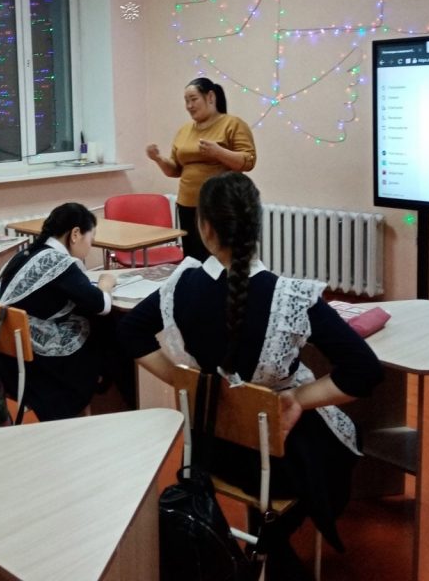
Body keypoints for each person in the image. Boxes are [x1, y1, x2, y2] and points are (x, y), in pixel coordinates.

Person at [117, 172, 383, 580]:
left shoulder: (181, 285)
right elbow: (364, 371)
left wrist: (183, 380)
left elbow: (130, 331)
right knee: (346, 439)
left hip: (210, 451)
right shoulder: (290, 295)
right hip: (278, 458)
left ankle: (265, 541)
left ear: (205, 228)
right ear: (257, 226)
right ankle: (274, 541)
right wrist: (297, 399)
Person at [0, 203, 117, 421]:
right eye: (91, 238)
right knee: (104, 329)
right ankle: (104, 404)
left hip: (6, 358)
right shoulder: (58, 262)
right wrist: (106, 282)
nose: (90, 246)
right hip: (36, 367)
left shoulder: (26, 253)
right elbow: (102, 305)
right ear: (75, 234)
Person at [146, 77, 257, 261]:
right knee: (193, 258)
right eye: (186, 101)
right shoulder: (184, 130)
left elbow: (248, 161)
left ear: (210, 97)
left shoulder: (232, 124)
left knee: (219, 257)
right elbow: (175, 170)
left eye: (193, 99)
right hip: (187, 204)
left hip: (219, 205)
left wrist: (218, 152)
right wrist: (158, 159)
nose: (189, 106)